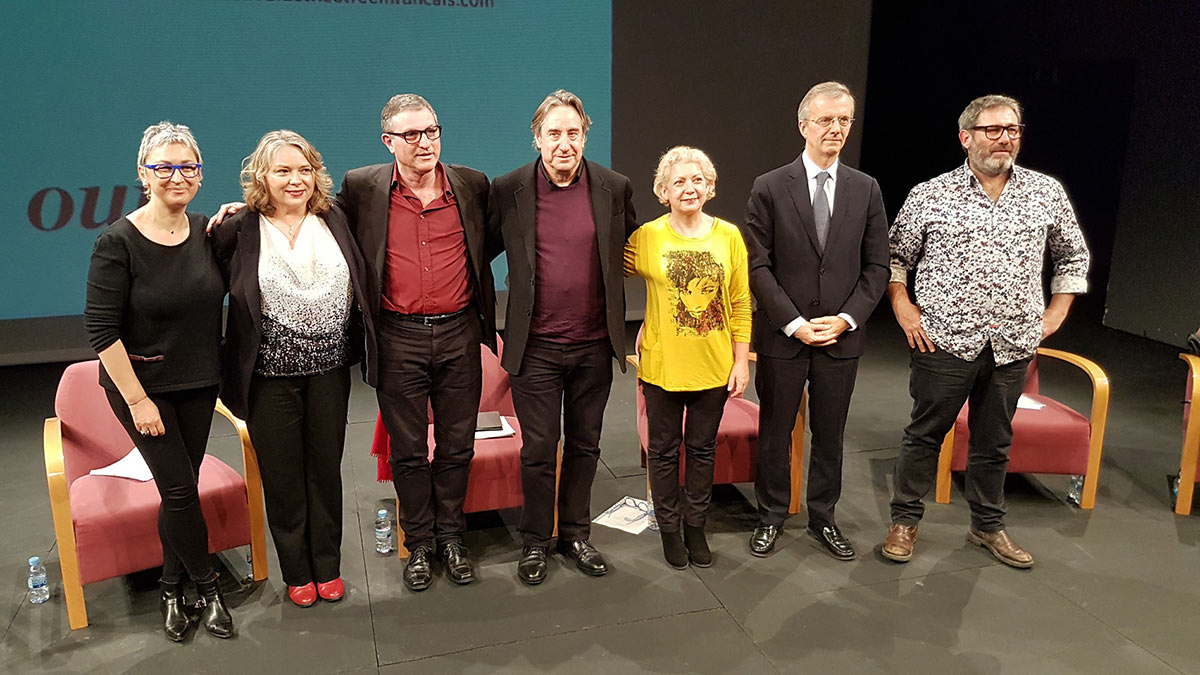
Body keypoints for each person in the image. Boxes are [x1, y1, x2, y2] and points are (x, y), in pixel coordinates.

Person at [882, 94, 1090, 568]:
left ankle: (987, 525)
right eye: (993, 130)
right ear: (966, 137)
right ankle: (905, 521)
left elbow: (1073, 256)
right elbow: (895, 258)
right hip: (943, 338)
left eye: (1012, 129)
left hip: (1013, 341)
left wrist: (1056, 313)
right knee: (925, 435)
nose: (1004, 139)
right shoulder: (930, 194)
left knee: (994, 440)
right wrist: (902, 305)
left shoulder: (1045, 192)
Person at [211, 130, 377, 608]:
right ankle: (297, 572)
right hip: (266, 377)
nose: (295, 179)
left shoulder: (336, 217)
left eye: (304, 169)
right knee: (282, 477)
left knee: (324, 471)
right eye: (283, 170)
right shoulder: (237, 228)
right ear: (261, 175)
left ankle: (327, 567)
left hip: (328, 372)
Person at [336, 95, 495, 592]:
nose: (424, 142)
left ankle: (452, 538)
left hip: (459, 333)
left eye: (431, 131)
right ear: (389, 142)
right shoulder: (362, 187)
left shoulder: (471, 184)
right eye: (411, 135)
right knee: (407, 451)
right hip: (396, 336)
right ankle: (419, 542)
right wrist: (245, 210)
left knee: (456, 446)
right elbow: (308, 214)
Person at [84, 122, 234, 641]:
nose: (177, 176)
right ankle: (209, 588)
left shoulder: (206, 233)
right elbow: (100, 331)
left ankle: (171, 587)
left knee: (181, 492)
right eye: (164, 167)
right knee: (177, 488)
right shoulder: (117, 242)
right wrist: (139, 399)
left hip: (198, 381)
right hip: (142, 388)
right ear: (143, 175)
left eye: (187, 166)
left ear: (199, 174)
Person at [488, 90, 638, 585]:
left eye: (572, 133)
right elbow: (476, 248)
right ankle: (536, 540)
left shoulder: (614, 188)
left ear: (584, 135)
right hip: (536, 348)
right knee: (538, 448)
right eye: (553, 134)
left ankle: (575, 534)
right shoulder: (509, 189)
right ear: (537, 138)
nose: (564, 143)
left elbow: (634, 246)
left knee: (585, 445)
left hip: (595, 344)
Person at [741, 82, 889, 560]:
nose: (836, 129)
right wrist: (793, 322)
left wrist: (846, 319)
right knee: (775, 431)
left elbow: (878, 267)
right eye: (826, 120)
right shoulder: (769, 185)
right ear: (803, 125)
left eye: (844, 120)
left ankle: (824, 517)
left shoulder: (865, 189)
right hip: (786, 337)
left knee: (830, 434)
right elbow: (757, 264)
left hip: (840, 339)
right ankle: (771, 516)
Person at [624, 146, 751, 569]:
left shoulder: (728, 236)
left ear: (710, 186)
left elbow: (739, 302)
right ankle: (669, 528)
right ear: (663, 191)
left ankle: (696, 527)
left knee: (701, 451)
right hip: (662, 366)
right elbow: (599, 267)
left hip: (713, 366)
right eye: (678, 181)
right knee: (662, 451)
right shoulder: (647, 237)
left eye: (697, 180)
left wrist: (739, 361)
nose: (689, 188)